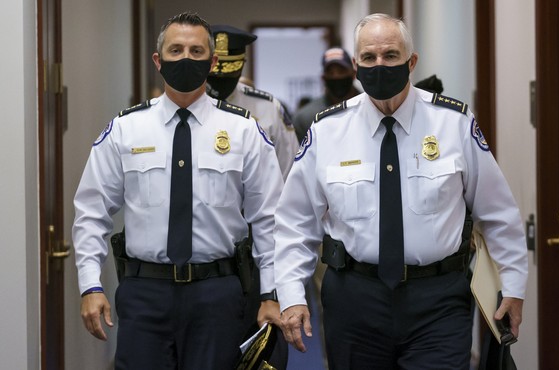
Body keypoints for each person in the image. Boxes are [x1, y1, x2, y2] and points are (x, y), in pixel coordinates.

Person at [274, 13, 528, 369]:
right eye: (369, 58)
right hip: (354, 299)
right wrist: (290, 295)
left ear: (412, 62)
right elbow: (294, 225)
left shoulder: (453, 124)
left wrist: (513, 286)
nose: (379, 65)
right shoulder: (327, 131)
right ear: (357, 65)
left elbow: (498, 213)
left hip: (438, 300)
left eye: (390, 56)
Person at [72, 11, 283, 369]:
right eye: (176, 50)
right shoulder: (126, 130)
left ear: (212, 61)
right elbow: (91, 212)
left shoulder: (243, 131)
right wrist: (90, 285)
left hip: (218, 293)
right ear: (158, 60)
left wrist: (272, 294)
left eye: (197, 51)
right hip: (145, 294)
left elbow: (270, 221)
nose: (186, 58)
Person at [206, 24, 298, 180]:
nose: (221, 79)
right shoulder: (186, 103)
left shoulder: (267, 107)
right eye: (215, 75)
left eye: (230, 71)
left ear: (242, 64)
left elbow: (289, 169)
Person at [292, 47, 360, 142]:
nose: (336, 77)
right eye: (331, 72)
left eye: (341, 71)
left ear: (354, 74)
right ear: (323, 78)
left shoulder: (372, 107)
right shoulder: (306, 119)